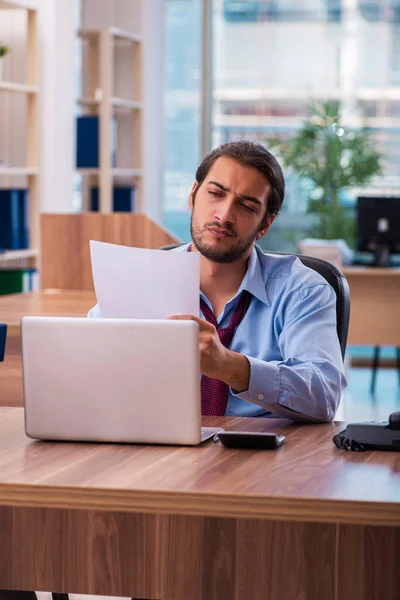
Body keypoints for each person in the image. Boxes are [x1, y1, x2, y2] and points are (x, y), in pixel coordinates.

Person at [88, 140, 347, 422]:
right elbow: (89, 366)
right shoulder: (138, 278)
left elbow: (324, 396)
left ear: (265, 224)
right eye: (215, 194)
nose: (224, 215)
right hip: (157, 450)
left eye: (247, 206)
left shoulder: (303, 290)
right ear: (192, 196)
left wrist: (230, 367)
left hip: (261, 456)